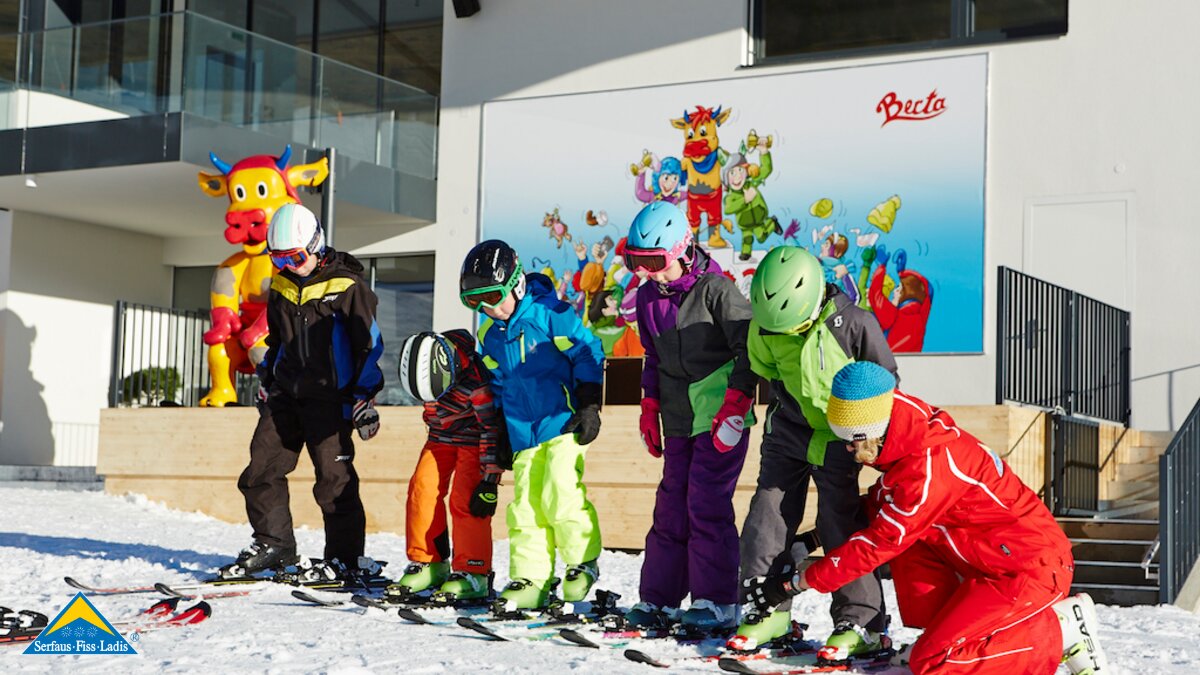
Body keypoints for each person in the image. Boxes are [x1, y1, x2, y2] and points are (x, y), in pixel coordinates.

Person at [743, 361, 1110, 675]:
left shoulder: (930, 466)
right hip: (988, 561)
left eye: (851, 442)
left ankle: (1060, 632)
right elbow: (884, 507)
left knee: (936, 664)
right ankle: (942, 637)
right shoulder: (907, 436)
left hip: (1029, 570)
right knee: (909, 549)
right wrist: (813, 538)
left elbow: (880, 541)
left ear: (869, 432)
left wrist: (796, 584)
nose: (849, 450)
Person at [732, 246, 898, 655]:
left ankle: (861, 622)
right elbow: (762, 370)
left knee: (839, 521)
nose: (784, 335)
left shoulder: (855, 324)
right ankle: (765, 611)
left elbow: (885, 380)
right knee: (767, 516)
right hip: (788, 431)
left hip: (841, 437)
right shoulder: (764, 328)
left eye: (794, 327)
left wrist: (874, 436)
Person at [225, 203, 384, 580]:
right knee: (261, 469)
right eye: (279, 259)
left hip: (331, 399)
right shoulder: (281, 285)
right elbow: (277, 341)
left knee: (334, 480)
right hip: (286, 394)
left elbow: (369, 345)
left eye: (295, 257)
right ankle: (274, 545)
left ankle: (345, 558)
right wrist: (268, 379)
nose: (290, 266)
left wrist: (364, 396)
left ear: (316, 244)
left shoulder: (347, 286)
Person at [620, 202, 758, 633]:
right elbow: (652, 356)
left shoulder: (716, 291)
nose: (645, 273)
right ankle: (660, 599)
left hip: (720, 418)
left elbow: (750, 349)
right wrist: (650, 405)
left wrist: (737, 400)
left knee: (706, 503)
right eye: (635, 262)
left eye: (653, 262)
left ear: (681, 249)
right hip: (679, 418)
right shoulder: (648, 297)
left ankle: (717, 601)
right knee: (671, 507)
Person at [460, 240, 605, 611]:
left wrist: (589, 404)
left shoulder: (550, 314)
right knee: (524, 506)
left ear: (516, 285)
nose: (488, 308)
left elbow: (587, 352)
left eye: (493, 297)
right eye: (476, 302)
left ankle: (581, 562)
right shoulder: (489, 336)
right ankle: (531, 579)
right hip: (523, 432)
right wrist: (502, 431)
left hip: (563, 421)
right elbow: (498, 384)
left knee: (560, 490)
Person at [389, 330, 506, 604]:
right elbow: (433, 416)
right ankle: (429, 563)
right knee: (422, 490)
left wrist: (489, 480)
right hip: (439, 438)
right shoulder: (423, 370)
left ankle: (473, 572)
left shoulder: (477, 385)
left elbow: (491, 430)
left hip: (474, 441)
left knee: (465, 500)